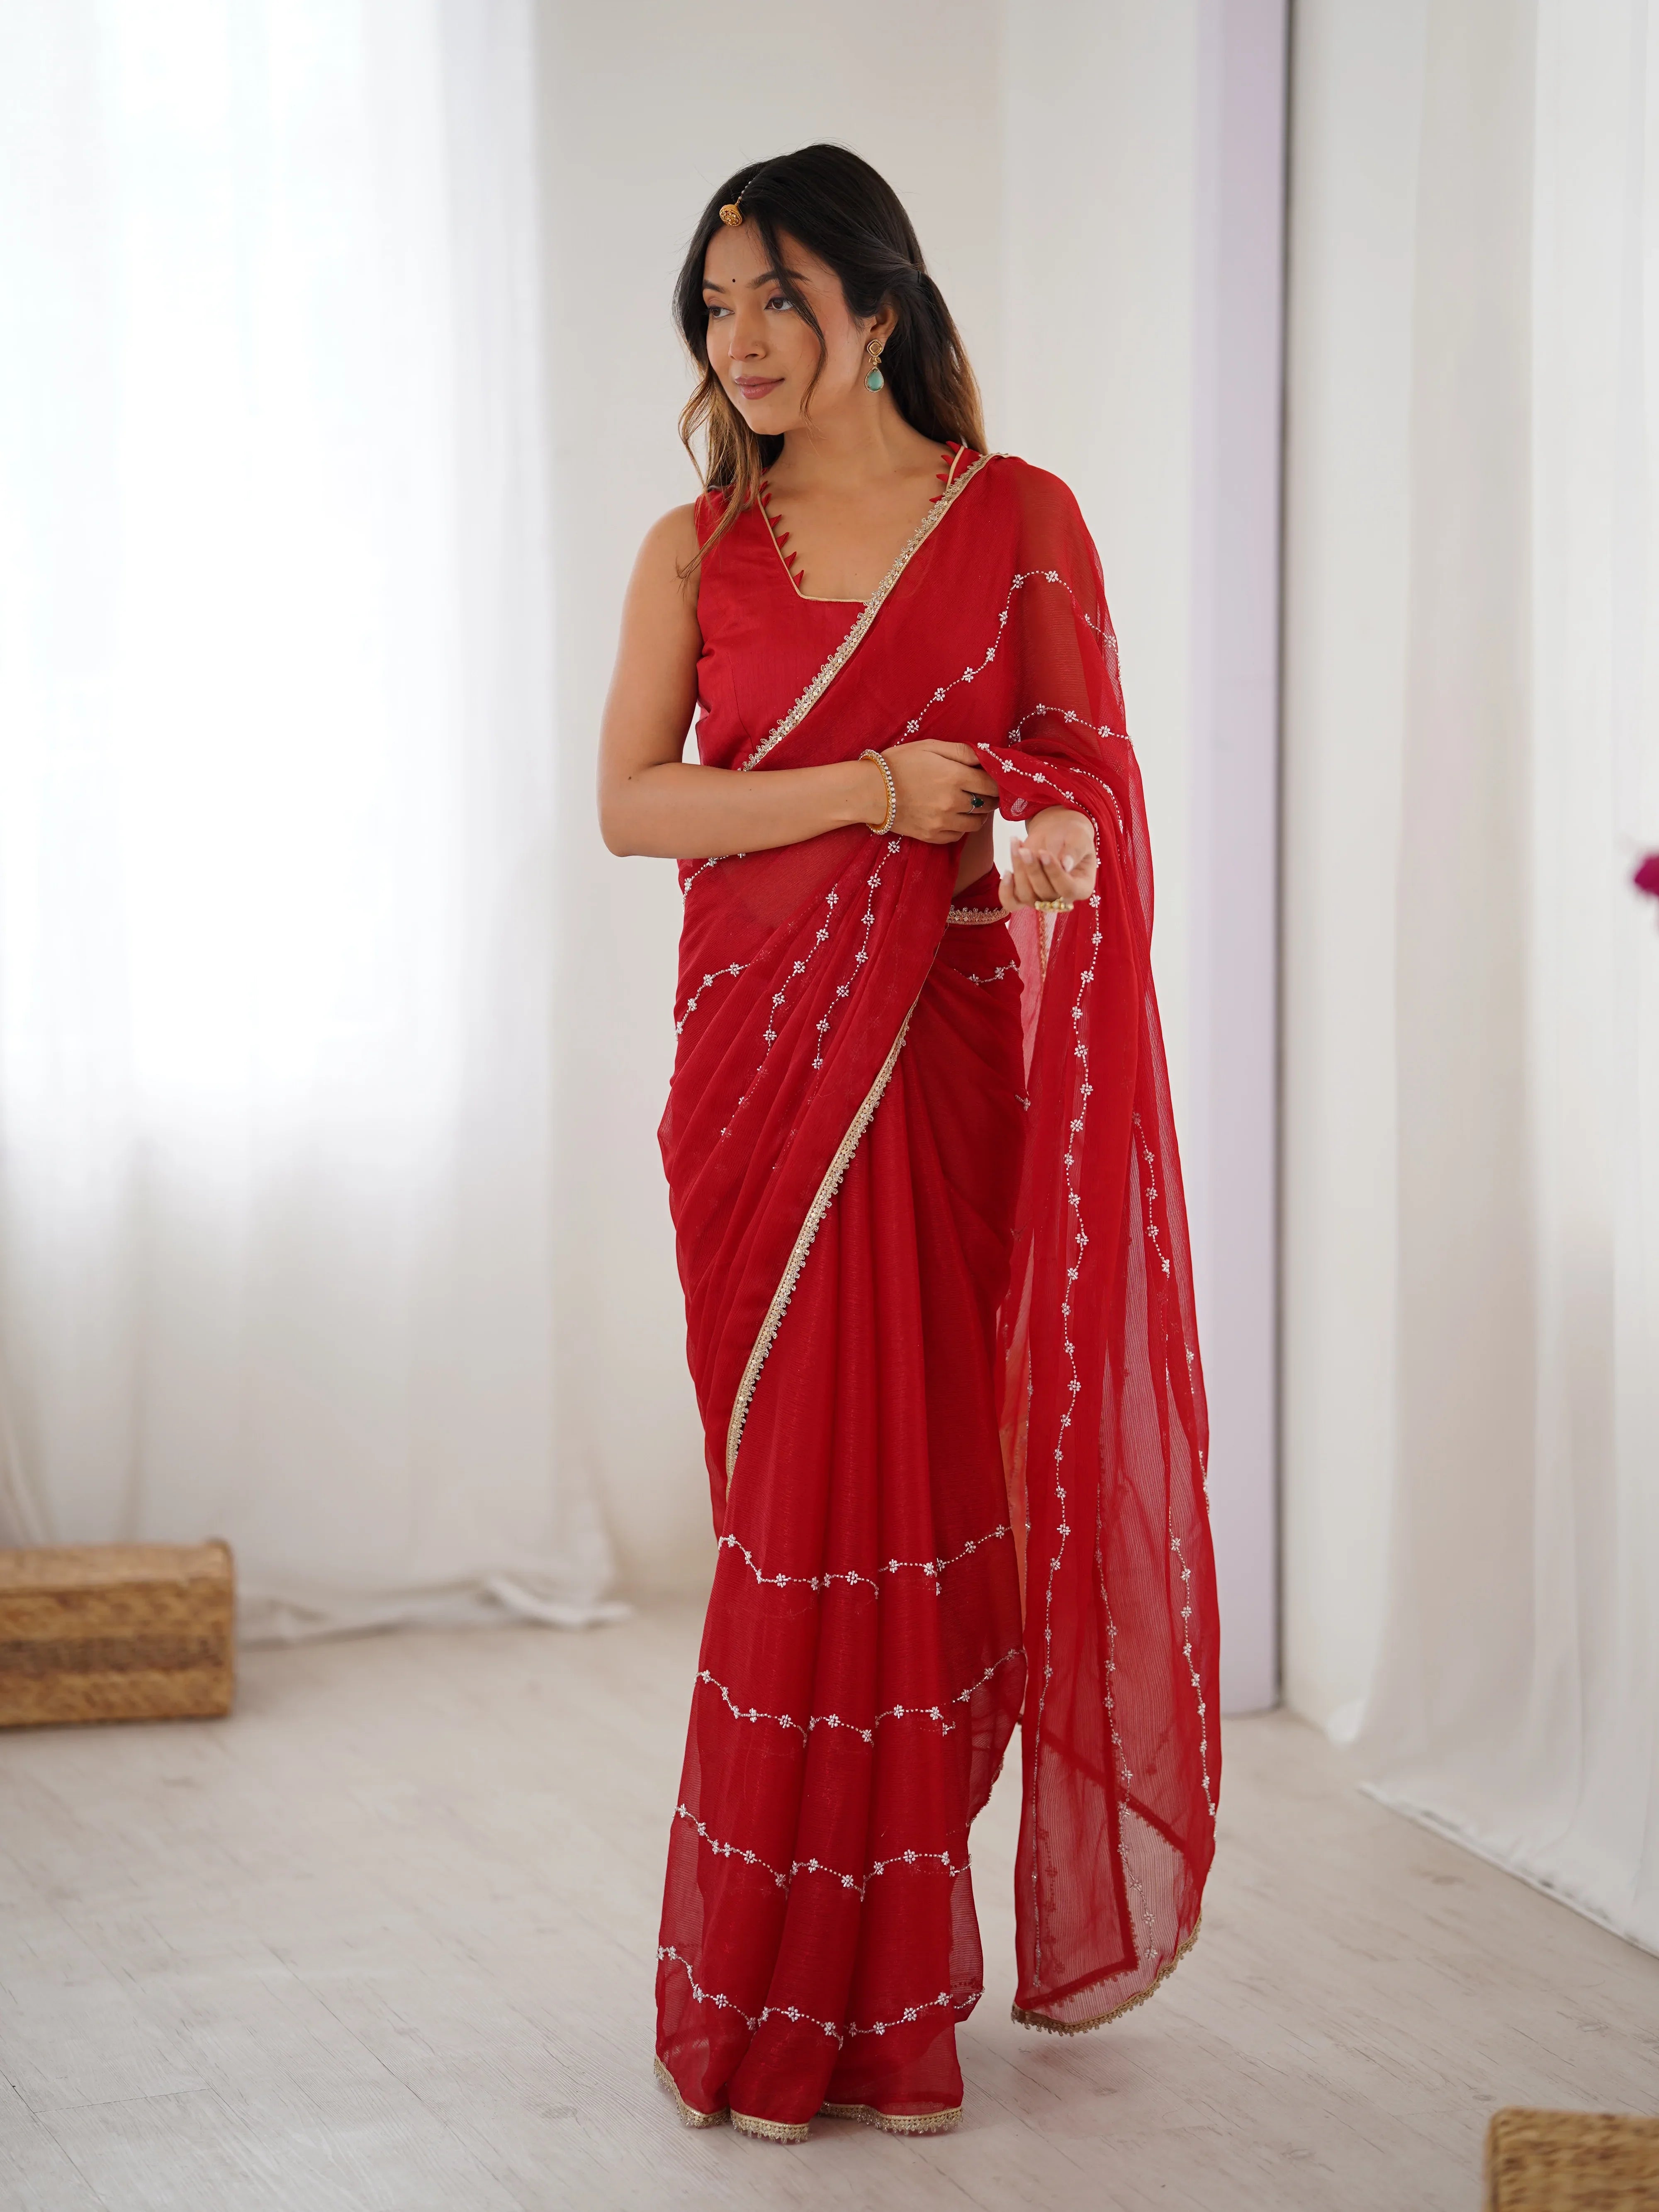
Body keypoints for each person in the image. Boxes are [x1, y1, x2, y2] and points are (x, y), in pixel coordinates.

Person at [598, 143, 1219, 2145]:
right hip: (761, 1086)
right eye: (716, 302)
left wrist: (1028, 820)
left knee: (930, 1524)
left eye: (779, 294)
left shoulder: (1019, 520)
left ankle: (887, 2001)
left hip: (943, 1079)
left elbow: (1092, 803)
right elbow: (633, 805)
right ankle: (776, 2003)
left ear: (878, 303)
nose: (742, 339)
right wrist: (875, 785)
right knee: (796, 1524)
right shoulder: (697, 549)